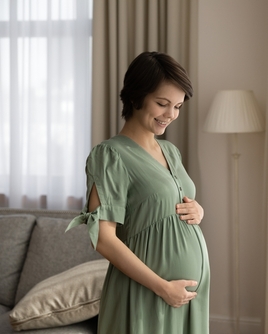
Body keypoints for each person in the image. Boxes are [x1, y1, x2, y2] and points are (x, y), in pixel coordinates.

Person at [66, 51, 210, 334]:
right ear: (136, 97)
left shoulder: (170, 151)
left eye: (178, 106)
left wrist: (199, 210)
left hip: (186, 298)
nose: (170, 114)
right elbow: (103, 239)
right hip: (148, 294)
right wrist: (163, 287)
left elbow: (166, 204)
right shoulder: (109, 155)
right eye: (162, 103)